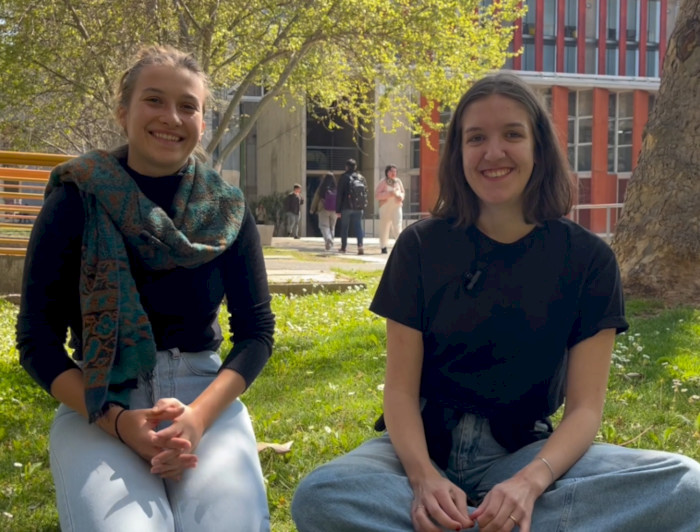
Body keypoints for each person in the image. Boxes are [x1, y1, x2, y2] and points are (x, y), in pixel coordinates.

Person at [291, 72, 700, 531]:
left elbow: (585, 409)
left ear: (538, 147)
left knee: (687, 487)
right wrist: (424, 479)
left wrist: (529, 484)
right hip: (422, 450)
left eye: (512, 134)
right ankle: (485, 522)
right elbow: (401, 392)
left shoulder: (588, 260)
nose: (493, 152)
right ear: (458, 153)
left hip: (525, 455)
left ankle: (476, 520)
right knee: (320, 495)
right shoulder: (420, 247)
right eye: (476, 138)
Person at [16, 45, 274, 532]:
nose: (171, 117)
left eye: (188, 106)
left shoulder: (228, 212)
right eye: (154, 100)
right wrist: (117, 421)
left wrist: (197, 419)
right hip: (100, 399)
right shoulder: (76, 201)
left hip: (203, 397)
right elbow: (36, 341)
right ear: (123, 112)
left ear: (202, 119)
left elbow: (257, 332)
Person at [335, 158, 366, 255]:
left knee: (344, 227)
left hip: (346, 206)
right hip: (358, 207)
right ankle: (360, 245)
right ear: (355, 167)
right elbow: (365, 192)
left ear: (346, 167)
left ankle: (343, 247)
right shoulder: (361, 177)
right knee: (358, 227)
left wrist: (338, 210)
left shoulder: (344, 177)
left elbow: (339, 194)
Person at [374, 164, 405, 254]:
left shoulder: (398, 181)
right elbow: (377, 195)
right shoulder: (383, 182)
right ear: (387, 172)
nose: (393, 173)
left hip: (397, 206)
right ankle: (383, 246)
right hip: (385, 207)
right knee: (385, 227)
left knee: (397, 225)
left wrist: (400, 196)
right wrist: (390, 194)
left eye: (395, 171)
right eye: (391, 171)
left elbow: (403, 192)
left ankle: (400, 244)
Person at [309, 172, 338, 251]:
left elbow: (316, 198)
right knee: (332, 227)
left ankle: (328, 239)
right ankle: (331, 243)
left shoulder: (321, 188)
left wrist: (312, 209)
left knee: (324, 226)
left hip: (323, 209)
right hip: (334, 210)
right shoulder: (336, 188)